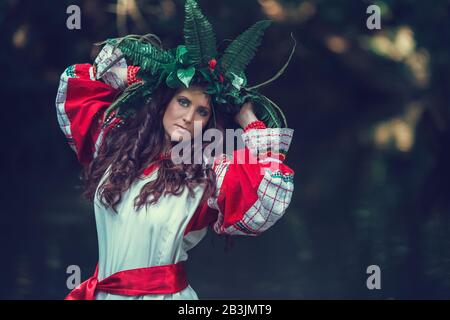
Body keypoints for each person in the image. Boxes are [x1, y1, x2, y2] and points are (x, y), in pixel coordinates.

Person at [57, 0, 295, 300]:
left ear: (209, 123)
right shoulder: (117, 149)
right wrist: (139, 78)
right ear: (164, 102)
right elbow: (82, 82)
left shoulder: (208, 174)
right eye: (183, 102)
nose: (188, 117)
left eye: (202, 112)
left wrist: (247, 118)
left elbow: (270, 188)